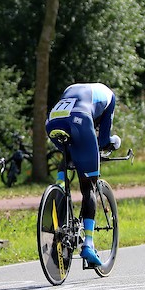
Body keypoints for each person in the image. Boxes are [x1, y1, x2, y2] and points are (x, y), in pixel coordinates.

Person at [45, 83, 121, 266]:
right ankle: (88, 244)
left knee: (69, 152)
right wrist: (114, 142)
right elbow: (103, 139)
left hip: (52, 121)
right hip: (80, 119)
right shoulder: (110, 97)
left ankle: (59, 188)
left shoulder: (72, 88)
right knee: (89, 187)